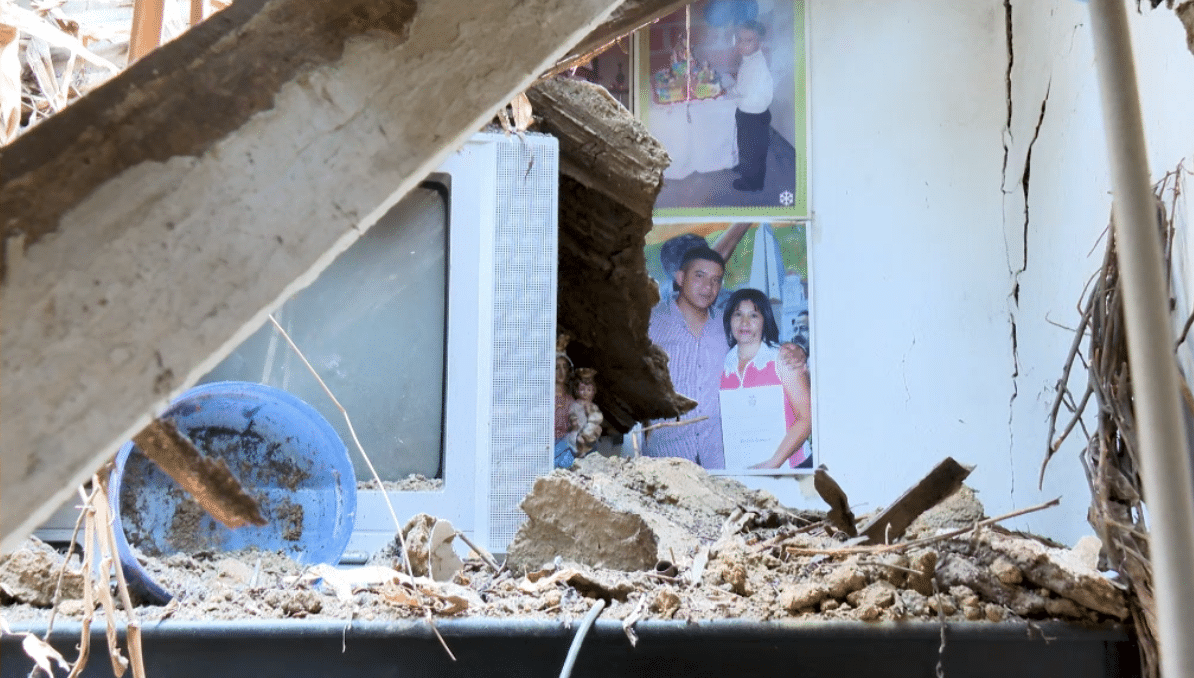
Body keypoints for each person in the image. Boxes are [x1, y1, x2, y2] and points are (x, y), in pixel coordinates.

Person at [646, 246, 729, 469]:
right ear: (680, 278)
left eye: (716, 280)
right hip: (666, 457)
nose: (708, 287)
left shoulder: (729, 324)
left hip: (719, 457)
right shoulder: (650, 322)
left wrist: (792, 352)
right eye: (700, 276)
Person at [719, 288, 812, 469]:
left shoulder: (783, 358)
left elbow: (806, 420)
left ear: (765, 321)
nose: (745, 322)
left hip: (790, 467)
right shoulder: (725, 366)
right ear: (729, 320)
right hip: (745, 470)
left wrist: (772, 464)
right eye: (738, 314)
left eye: (753, 315)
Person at [728, 20, 774, 193]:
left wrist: (731, 92)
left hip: (753, 115)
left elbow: (743, 89)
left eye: (748, 40)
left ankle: (753, 182)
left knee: (752, 149)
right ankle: (746, 167)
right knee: (746, 146)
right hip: (751, 112)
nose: (741, 44)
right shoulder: (749, 59)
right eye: (739, 39)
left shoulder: (756, 65)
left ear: (759, 43)